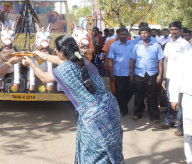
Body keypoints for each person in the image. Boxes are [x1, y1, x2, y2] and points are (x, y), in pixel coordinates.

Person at [23, 35, 123, 163]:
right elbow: (63, 61)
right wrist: (42, 55)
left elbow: (44, 77)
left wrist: (31, 62)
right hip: (110, 107)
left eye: (56, 51)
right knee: (109, 147)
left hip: (93, 116)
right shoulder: (83, 60)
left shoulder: (65, 69)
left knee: (93, 153)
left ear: (61, 52)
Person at [159, 21, 191, 136]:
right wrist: (164, 78)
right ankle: (169, 121)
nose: (173, 32)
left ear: (180, 30)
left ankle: (180, 127)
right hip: (169, 77)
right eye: (171, 29)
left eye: (175, 29)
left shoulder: (185, 44)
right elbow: (166, 61)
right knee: (170, 100)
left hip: (181, 78)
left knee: (181, 102)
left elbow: (188, 63)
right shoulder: (168, 44)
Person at [130, 26, 164, 123]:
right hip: (139, 73)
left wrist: (160, 75)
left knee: (152, 95)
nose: (143, 35)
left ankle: (154, 116)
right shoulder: (136, 46)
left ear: (149, 34)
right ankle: (137, 113)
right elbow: (132, 60)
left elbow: (160, 60)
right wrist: (131, 74)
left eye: (145, 33)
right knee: (138, 94)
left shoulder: (156, 45)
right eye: (142, 33)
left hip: (152, 73)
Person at [168, 49, 192, 163]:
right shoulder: (185, 57)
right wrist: (174, 98)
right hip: (189, 96)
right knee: (189, 131)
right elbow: (176, 78)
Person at [108, 27, 134, 117]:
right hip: (119, 73)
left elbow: (135, 59)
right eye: (121, 34)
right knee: (120, 92)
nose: (123, 36)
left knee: (131, 91)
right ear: (118, 35)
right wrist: (111, 73)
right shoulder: (114, 45)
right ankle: (123, 110)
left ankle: (122, 105)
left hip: (131, 73)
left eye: (125, 34)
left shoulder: (133, 44)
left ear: (128, 35)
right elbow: (111, 60)